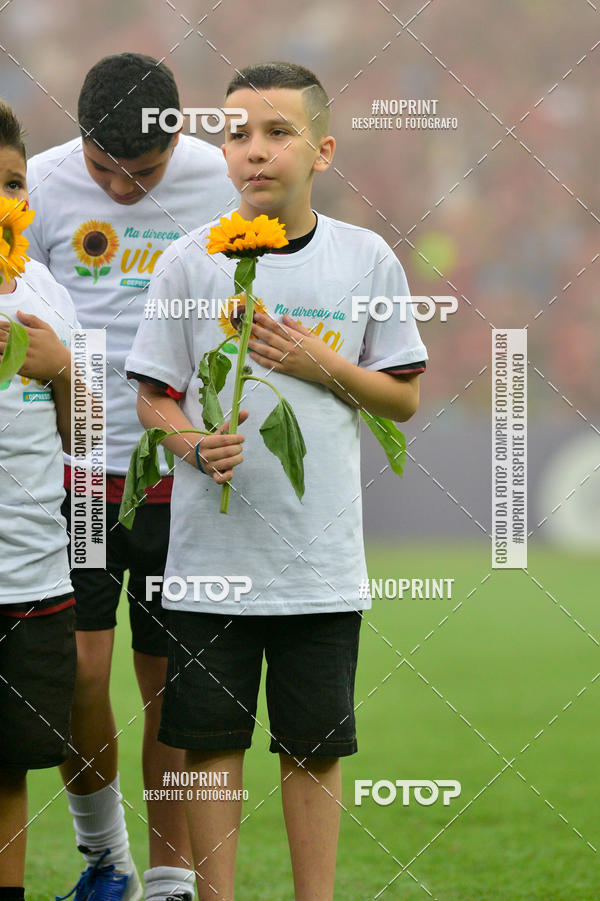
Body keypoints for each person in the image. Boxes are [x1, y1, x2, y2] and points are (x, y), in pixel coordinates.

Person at [125, 61, 428, 901]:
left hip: (319, 563)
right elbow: (153, 396)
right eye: (235, 134)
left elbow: (400, 396)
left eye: (277, 132)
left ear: (322, 150)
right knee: (209, 741)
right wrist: (190, 443)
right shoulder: (189, 262)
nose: (254, 150)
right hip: (210, 560)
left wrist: (318, 360)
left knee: (314, 744)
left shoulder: (365, 259)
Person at [25, 53, 234, 901]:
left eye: (138, 173)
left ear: (176, 139)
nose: (117, 188)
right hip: (70, 469)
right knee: (78, 672)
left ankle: (170, 876)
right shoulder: (35, 185)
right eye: (101, 168)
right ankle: (105, 857)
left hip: (172, 469)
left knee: (166, 678)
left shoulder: (224, 179)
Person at [0, 99, 78, 901]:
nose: (4, 199)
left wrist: (60, 370)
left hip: (30, 580)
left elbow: (85, 440)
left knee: (9, 766)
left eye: (14, 183)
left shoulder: (49, 293)